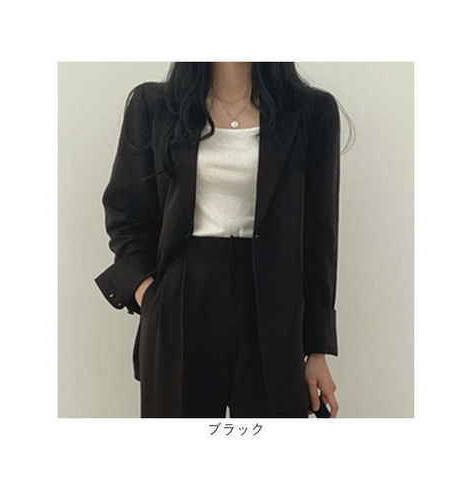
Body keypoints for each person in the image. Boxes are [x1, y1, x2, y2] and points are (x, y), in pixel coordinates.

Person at [94, 62, 352, 418]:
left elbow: (319, 237)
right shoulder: (155, 106)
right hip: (181, 299)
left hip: (274, 307)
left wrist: (317, 349)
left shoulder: (310, 112)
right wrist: (149, 296)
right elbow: (126, 212)